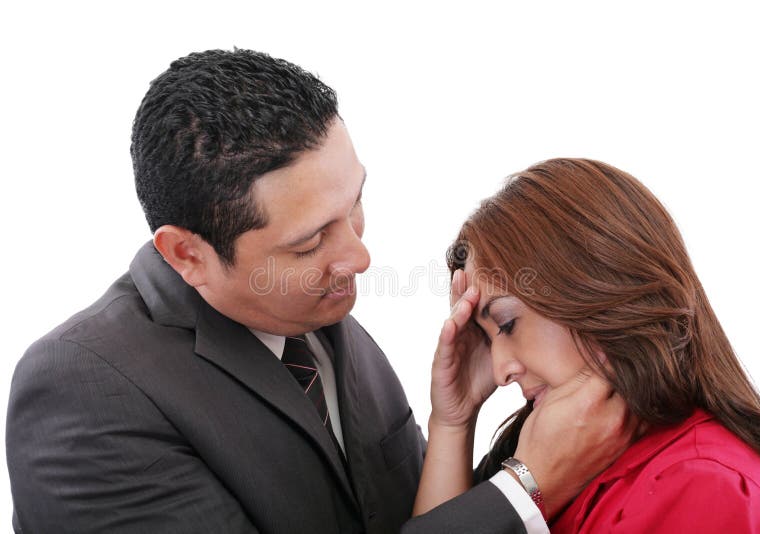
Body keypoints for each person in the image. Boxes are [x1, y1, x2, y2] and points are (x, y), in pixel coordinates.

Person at [6, 50, 630, 533]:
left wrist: (452, 422)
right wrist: (525, 486)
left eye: (355, 205)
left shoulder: (322, 328)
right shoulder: (80, 391)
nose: (359, 257)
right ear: (187, 254)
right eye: (308, 245)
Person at [412, 158, 760, 532]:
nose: (500, 372)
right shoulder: (550, 458)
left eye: (507, 323)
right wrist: (453, 423)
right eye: (485, 337)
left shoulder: (705, 485)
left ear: (597, 288)